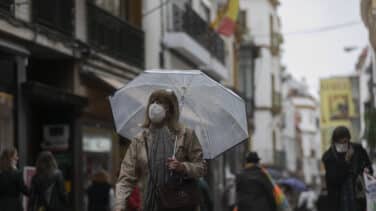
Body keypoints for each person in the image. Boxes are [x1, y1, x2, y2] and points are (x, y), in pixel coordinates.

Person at [114, 89, 206, 211]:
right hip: (150, 206)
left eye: (161, 102)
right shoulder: (140, 140)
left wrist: (183, 167)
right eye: (153, 101)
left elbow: (201, 168)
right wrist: (120, 205)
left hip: (181, 205)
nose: (155, 106)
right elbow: (126, 177)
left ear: (171, 110)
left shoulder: (186, 135)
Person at [322, 126, 373, 211]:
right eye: (339, 143)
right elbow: (334, 179)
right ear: (334, 142)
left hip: (359, 198)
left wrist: (366, 170)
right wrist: (346, 161)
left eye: (345, 142)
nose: (343, 145)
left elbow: (369, 168)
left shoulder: (358, 150)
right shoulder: (329, 157)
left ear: (349, 140)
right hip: (339, 201)